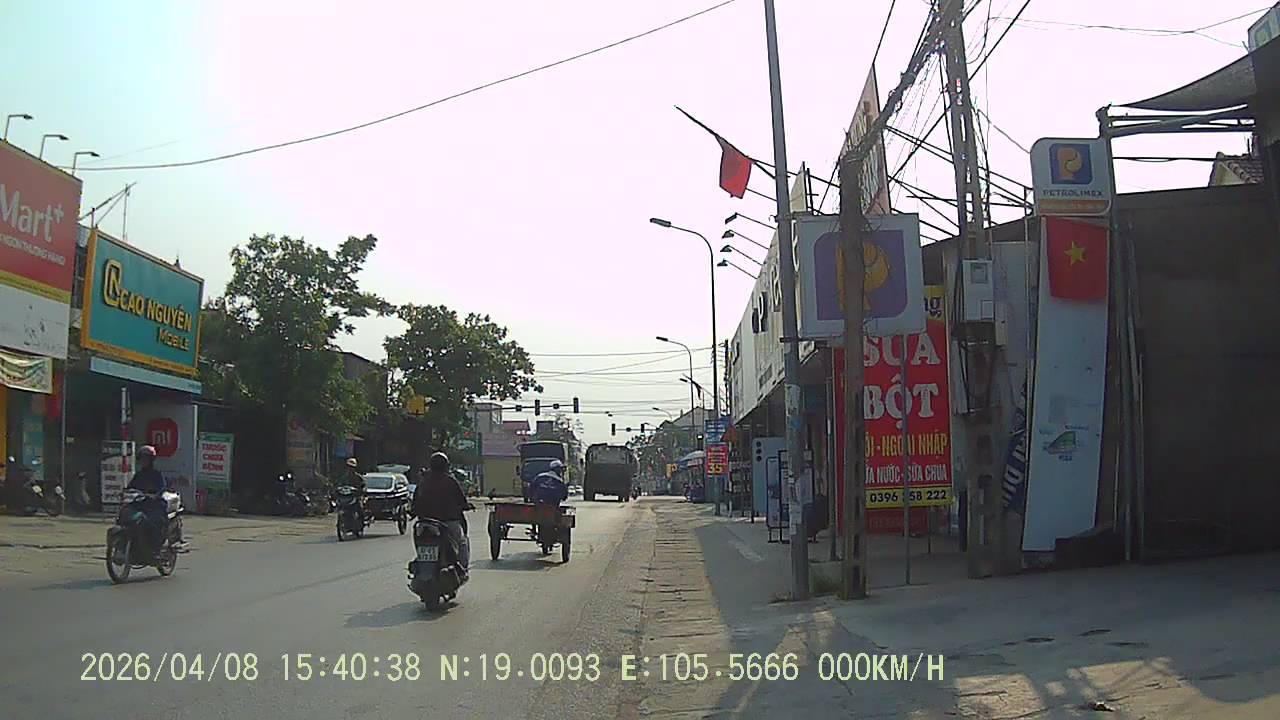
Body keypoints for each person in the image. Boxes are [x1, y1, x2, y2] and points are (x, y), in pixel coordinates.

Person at [411, 452, 471, 571]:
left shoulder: (423, 482)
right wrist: (466, 506)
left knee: (418, 536)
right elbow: (462, 501)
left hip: (424, 523)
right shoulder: (450, 481)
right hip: (448, 523)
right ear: (446, 466)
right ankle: (462, 568)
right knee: (462, 542)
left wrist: (413, 512)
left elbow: (415, 504)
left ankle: (420, 558)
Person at [126, 446, 181, 549]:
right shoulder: (139, 475)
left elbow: (162, 488)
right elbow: (131, 487)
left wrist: (155, 495)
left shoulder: (157, 475)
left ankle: (156, 546)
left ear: (151, 460)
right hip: (140, 504)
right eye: (142, 459)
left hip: (154, 505)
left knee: (155, 521)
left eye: (146, 459)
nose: (143, 461)